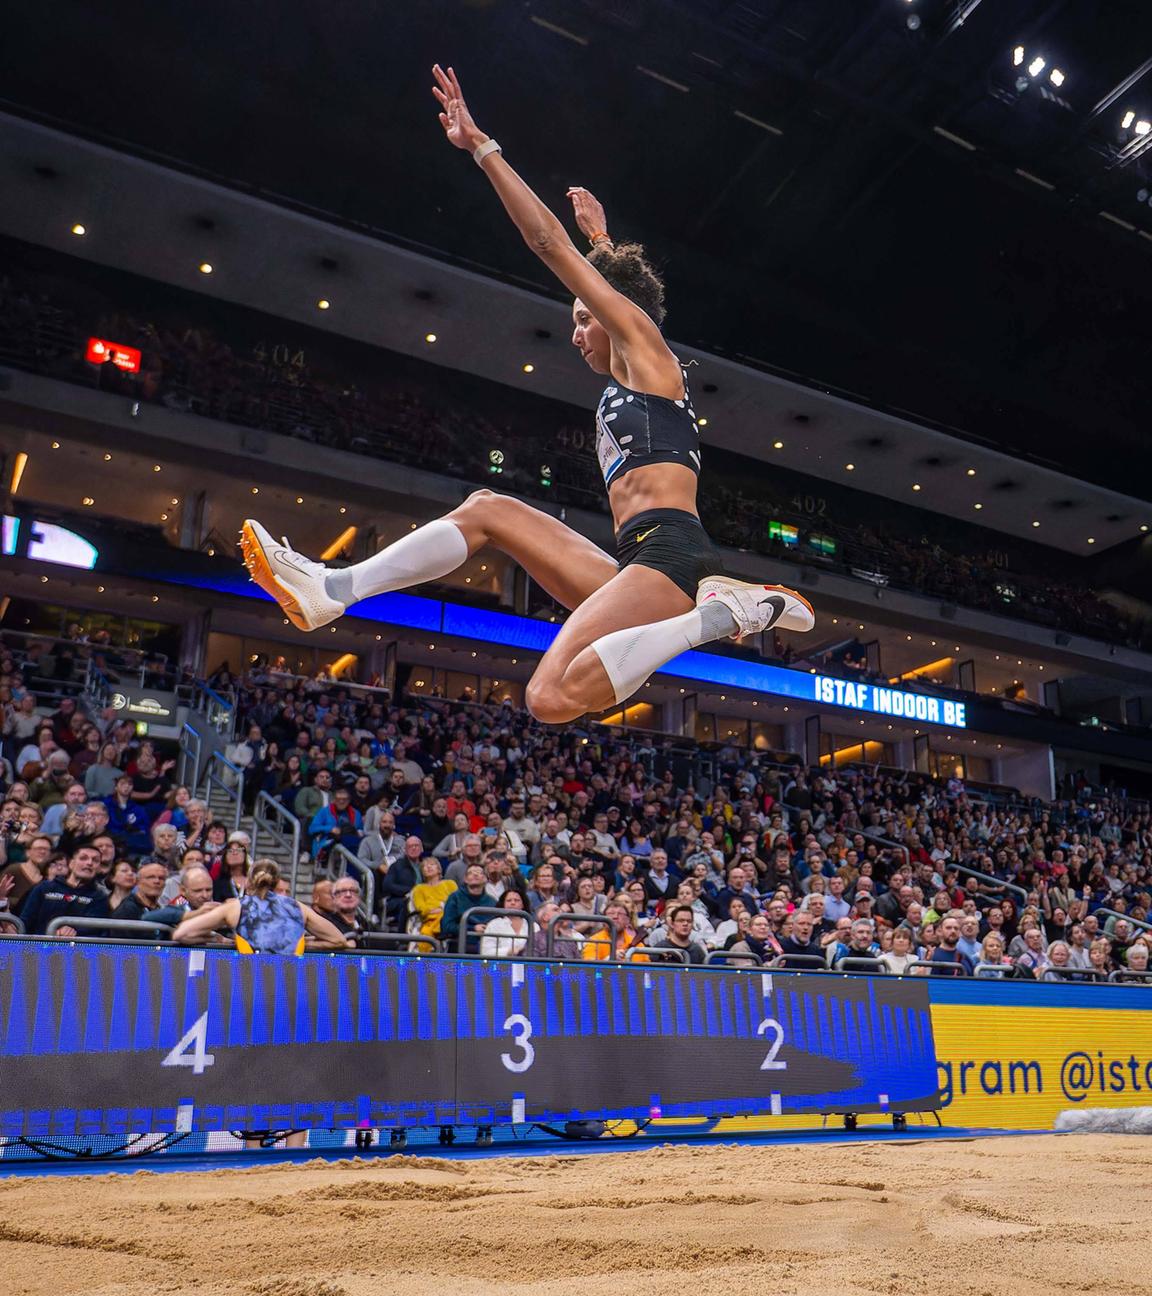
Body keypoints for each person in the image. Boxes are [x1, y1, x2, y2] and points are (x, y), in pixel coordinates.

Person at [240, 65, 814, 728]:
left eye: (580, 317)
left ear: (616, 311)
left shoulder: (647, 350)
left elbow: (550, 246)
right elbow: (618, 286)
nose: (574, 333)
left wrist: (482, 148)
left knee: (548, 699)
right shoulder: (635, 360)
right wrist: (604, 242)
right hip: (639, 561)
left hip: (674, 557)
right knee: (489, 509)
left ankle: (719, 616)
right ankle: (331, 590)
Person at [175, 858, 345, 954]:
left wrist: (219, 940)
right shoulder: (297, 907)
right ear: (276, 881)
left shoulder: (234, 907)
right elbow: (338, 940)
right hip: (288, 985)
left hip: (250, 983)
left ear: (248, 881)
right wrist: (292, 942)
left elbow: (182, 933)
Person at [19, 844, 110, 936]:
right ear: (71, 863)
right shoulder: (44, 888)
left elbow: (94, 929)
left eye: (95, 860)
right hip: (37, 947)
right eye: (83, 858)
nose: (89, 863)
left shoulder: (99, 897)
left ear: (98, 868)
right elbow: (25, 921)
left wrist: (74, 930)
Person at [410, 857, 457, 938]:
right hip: (430, 920)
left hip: (449, 918)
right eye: (425, 866)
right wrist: (438, 909)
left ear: (439, 869)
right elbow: (421, 909)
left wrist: (443, 910)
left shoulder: (450, 884)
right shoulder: (418, 889)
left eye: (432, 864)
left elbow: (457, 902)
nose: (428, 867)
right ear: (422, 872)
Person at [479, 889, 531, 957]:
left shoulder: (532, 925)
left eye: (517, 900)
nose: (513, 903)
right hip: (501, 964)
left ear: (523, 904)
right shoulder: (494, 924)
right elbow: (486, 951)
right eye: (509, 900)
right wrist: (508, 952)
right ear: (503, 904)